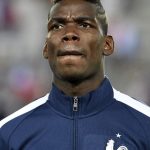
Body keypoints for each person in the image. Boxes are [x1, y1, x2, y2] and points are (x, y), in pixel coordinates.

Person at [0, 0, 150, 149]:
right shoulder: (9, 133)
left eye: (84, 25)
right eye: (57, 26)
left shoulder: (145, 124)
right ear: (46, 48)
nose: (69, 34)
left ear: (107, 44)